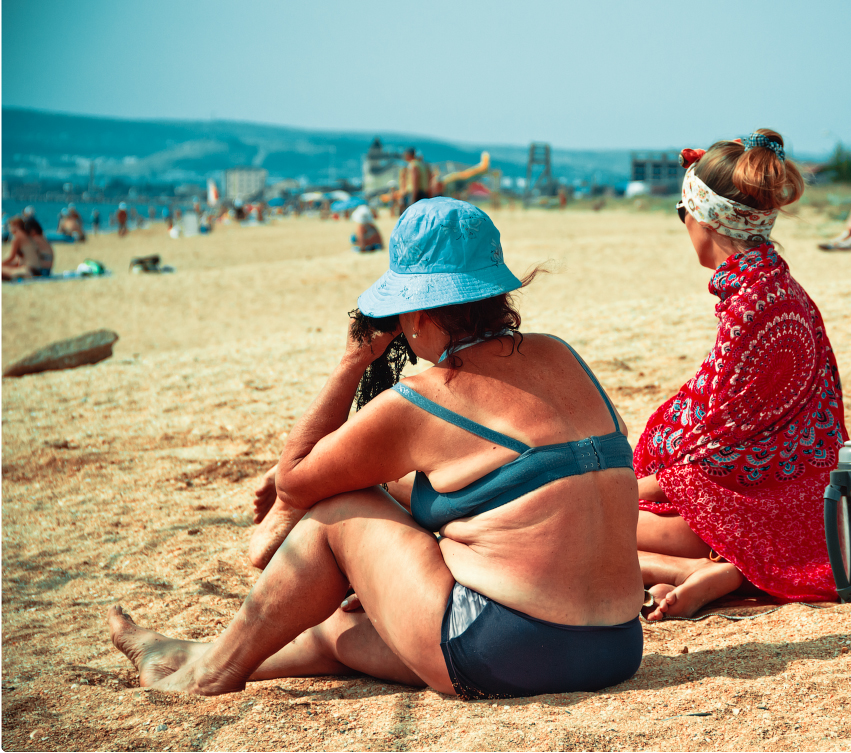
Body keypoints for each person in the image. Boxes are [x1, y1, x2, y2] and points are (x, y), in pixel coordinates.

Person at [107, 197, 644, 698]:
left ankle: (210, 673)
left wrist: (353, 361)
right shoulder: (561, 356)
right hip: (615, 647)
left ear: (416, 314)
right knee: (341, 633)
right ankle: (185, 654)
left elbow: (294, 479)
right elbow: (499, 485)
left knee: (339, 510)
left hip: (506, 649)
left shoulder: (426, 397)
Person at [635, 130, 851, 621]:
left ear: (703, 218)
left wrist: (627, 489)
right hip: (802, 499)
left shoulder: (751, 307)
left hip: (748, 512)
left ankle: (703, 569)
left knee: (578, 522)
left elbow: (719, 451)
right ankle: (701, 571)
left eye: (682, 211)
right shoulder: (783, 291)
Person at [2, 216, 54, 280]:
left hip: (38, 270)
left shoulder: (23, 237)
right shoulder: (40, 238)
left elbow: (12, 257)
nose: (9, 229)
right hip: (43, 270)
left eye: (10, 226)